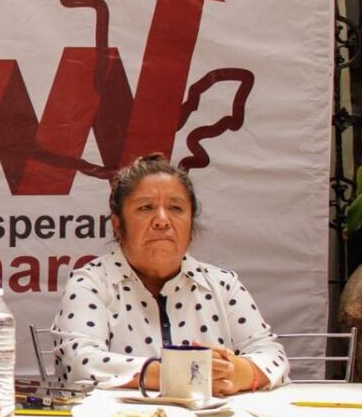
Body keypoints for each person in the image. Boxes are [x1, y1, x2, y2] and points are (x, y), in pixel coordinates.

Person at [51, 154, 289, 393]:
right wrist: (184, 373)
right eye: (146, 208)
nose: (162, 221)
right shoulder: (91, 283)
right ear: (118, 225)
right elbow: (80, 363)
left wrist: (238, 372)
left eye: (176, 208)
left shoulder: (223, 285)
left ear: (191, 224)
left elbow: (272, 354)